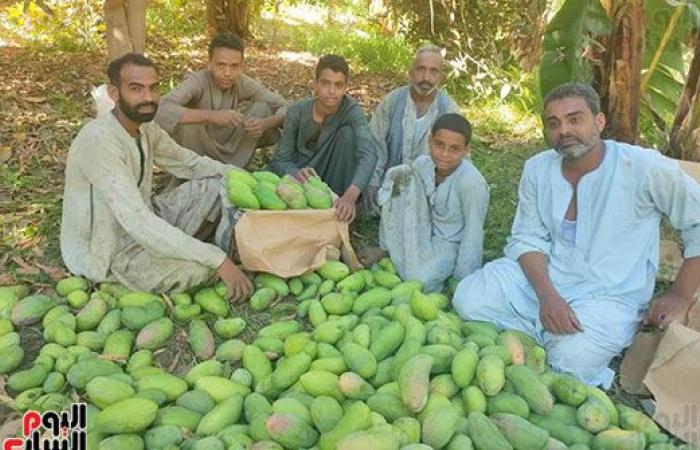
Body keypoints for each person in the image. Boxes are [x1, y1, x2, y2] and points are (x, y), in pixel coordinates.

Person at [452, 83, 700, 387]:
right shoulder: (537, 169)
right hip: (543, 281)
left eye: (575, 119)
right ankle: (537, 337)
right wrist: (548, 297)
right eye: (553, 123)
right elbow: (527, 238)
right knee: (469, 298)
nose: (564, 130)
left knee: (571, 358)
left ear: (599, 121)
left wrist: (680, 295)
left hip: (608, 294)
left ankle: (530, 340)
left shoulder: (643, 167)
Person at [60, 53, 252, 299]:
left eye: (153, 88)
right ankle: (122, 281)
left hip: (146, 218)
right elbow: (136, 221)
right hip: (110, 251)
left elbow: (188, 163)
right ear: (114, 93)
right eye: (136, 89)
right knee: (199, 269)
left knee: (217, 186)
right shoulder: (99, 141)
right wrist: (217, 260)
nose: (148, 98)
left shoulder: (145, 127)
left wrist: (247, 178)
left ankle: (195, 248)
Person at [378, 113, 489, 292]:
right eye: (439, 145)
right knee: (400, 176)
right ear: (430, 141)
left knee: (419, 280)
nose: (445, 154)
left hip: (448, 243)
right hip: (421, 227)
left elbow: (473, 233)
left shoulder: (472, 183)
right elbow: (407, 199)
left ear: (467, 149)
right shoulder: (422, 164)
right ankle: (386, 249)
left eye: (455, 149)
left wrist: (463, 282)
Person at [269, 54, 377, 223]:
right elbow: (280, 159)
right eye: (326, 83)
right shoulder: (296, 111)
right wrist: (296, 174)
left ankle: (342, 208)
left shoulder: (351, 110)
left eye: (338, 85)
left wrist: (350, 196)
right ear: (315, 85)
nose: (332, 91)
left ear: (345, 88)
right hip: (303, 180)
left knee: (348, 135)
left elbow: (369, 153)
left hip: (335, 179)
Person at [154, 33, 288, 168]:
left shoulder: (241, 82)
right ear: (209, 64)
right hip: (198, 153)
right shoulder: (197, 81)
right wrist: (211, 116)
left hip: (232, 149)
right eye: (221, 65)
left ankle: (236, 167)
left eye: (234, 66)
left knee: (262, 108)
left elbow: (284, 106)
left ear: (241, 66)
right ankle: (197, 172)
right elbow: (160, 108)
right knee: (189, 125)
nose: (228, 73)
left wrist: (265, 124)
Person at [362, 44, 460, 215]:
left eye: (433, 72)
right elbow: (374, 145)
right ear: (411, 72)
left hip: (431, 194)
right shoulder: (392, 102)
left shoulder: (449, 109)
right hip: (391, 188)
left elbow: (460, 158)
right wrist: (372, 182)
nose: (426, 78)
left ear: (441, 77)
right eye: (421, 69)